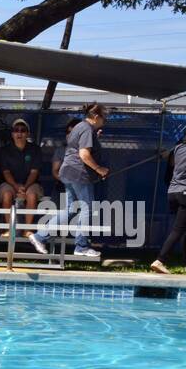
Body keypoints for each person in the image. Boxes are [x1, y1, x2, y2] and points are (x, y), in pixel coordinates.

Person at [30, 102, 110, 259]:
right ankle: (82, 246)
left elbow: (77, 147)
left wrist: (94, 139)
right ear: (95, 116)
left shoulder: (80, 127)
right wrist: (99, 169)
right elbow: (84, 155)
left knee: (71, 209)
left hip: (68, 173)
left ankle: (40, 236)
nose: (105, 121)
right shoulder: (86, 129)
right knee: (87, 208)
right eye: (103, 117)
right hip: (79, 174)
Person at [150, 123, 186, 274]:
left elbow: (173, 165)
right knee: (179, 229)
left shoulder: (178, 148)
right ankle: (160, 260)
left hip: (173, 192)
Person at [0, 118, 45, 235]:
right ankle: (9, 229)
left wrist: (25, 187)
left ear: (27, 133)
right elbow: (6, 172)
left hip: (31, 184)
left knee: (32, 195)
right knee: (7, 195)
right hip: (10, 184)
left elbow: (34, 172)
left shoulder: (35, 149)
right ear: (12, 134)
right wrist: (16, 186)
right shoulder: (4, 150)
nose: (19, 133)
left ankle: (27, 230)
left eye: (23, 130)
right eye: (16, 130)